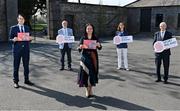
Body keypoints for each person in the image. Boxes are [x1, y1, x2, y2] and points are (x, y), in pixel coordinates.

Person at [9, 14, 34, 88]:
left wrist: (30, 39)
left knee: (26, 66)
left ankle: (27, 80)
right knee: (16, 66)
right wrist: (13, 39)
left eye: (22, 19)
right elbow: (9, 39)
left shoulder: (27, 28)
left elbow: (29, 38)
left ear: (24, 20)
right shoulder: (13, 28)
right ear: (18, 19)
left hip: (26, 50)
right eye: (20, 18)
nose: (21, 20)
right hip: (17, 50)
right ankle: (16, 82)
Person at [77, 23, 102, 98]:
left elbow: (100, 47)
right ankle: (87, 90)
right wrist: (80, 47)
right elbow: (79, 48)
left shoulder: (95, 37)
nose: (89, 30)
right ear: (86, 29)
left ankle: (91, 89)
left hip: (93, 57)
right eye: (88, 28)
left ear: (93, 29)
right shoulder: (83, 38)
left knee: (92, 74)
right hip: (85, 57)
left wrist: (99, 45)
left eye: (91, 28)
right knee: (85, 74)